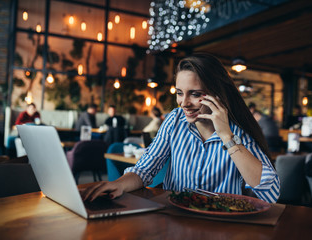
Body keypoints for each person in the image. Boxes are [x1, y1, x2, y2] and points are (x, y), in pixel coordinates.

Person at [82, 52, 280, 204]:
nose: (184, 103)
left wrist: (227, 136)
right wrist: (116, 184)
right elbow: (144, 170)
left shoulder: (236, 131)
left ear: (217, 94)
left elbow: (270, 193)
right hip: (174, 219)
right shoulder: (174, 120)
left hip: (221, 225)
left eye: (195, 94)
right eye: (179, 93)